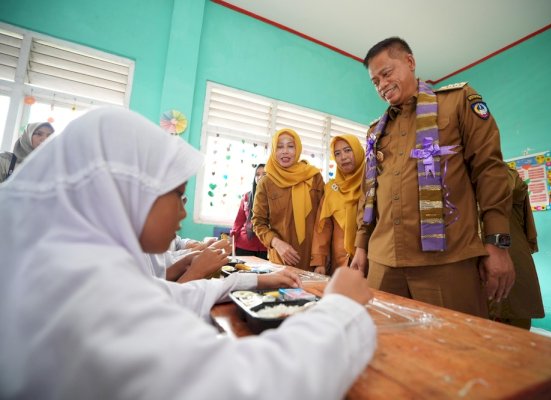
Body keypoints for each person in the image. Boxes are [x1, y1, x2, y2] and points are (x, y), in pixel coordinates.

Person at [0, 107, 376, 400]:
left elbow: (165, 295)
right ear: (129, 191)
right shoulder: (78, 283)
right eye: (177, 194)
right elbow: (252, 385)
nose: (183, 211)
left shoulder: (66, 256)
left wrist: (257, 278)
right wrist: (340, 308)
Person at [350, 37, 514, 318]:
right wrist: (361, 246)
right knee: (381, 346)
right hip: (382, 261)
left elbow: (489, 170)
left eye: (386, 73)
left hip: (446, 262)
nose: (382, 85)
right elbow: (370, 193)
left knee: (457, 352)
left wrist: (497, 242)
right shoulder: (375, 131)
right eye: (375, 81)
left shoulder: (457, 102)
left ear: (410, 62)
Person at [252, 128, 324, 270]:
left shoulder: (314, 177)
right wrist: (276, 243)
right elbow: (258, 222)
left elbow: (324, 221)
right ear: (273, 150)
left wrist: (321, 259)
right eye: (279, 147)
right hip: (280, 261)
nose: (285, 151)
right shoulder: (266, 182)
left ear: (297, 149)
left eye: (290, 146)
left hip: (313, 261)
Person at [488, 167, 544, 330]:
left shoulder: (501, 175)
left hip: (506, 253)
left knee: (510, 320)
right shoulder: (508, 175)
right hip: (506, 252)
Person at [311, 135, 365, 275]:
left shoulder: (372, 184)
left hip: (368, 263)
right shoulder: (331, 189)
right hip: (339, 265)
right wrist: (320, 261)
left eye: (348, 150)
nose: (343, 157)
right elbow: (323, 227)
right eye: (337, 153)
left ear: (358, 152)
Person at [230, 163, 268, 259]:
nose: (260, 177)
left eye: (264, 174)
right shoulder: (247, 196)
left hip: (266, 247)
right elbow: (239, 221)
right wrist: (232, 238)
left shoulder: (275, 198)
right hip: (244, 245)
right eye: (257, 174)